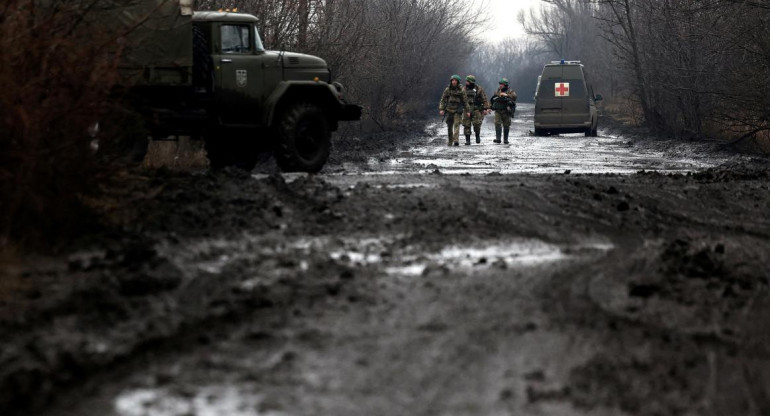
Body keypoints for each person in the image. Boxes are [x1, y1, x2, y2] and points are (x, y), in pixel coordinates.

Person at [439, 74, 471, 146]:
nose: (454, 82)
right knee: (449, 126)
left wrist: (468, 111)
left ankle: (456, 140)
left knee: (456, 124)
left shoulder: (461, 90)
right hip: (449, 109)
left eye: (455, 80)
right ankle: (450, 140)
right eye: (452, 80)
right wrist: (441, 109)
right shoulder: (447, 89)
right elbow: (443, 100)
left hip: (457, 110)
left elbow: (465, 101)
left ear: (458, 82)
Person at [461, 75, 490, 145]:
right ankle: (467, 140)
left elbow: (484, 99)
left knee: (477, 124)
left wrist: (486, 108)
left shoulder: (479, 89)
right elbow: (461, 99)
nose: (466, 82)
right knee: (466, 125)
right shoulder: (463, 89)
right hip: (467, 110)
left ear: (471, 82)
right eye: (466, 81)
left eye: (468, 81)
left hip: (476, 109)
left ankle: (477, 135)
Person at [490, 78, 517, 144]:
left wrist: (507, 95)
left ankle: (505, 139)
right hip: (498, 110)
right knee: (497, 123)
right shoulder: (498, 91)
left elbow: (515, 97)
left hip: (506, 111)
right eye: (500, 84)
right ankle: (498, 138)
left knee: (506, 124)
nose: (500, 85)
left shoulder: (510, 91)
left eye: (502, 84)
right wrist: (489, 107)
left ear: (505, 85)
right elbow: (493, 99)